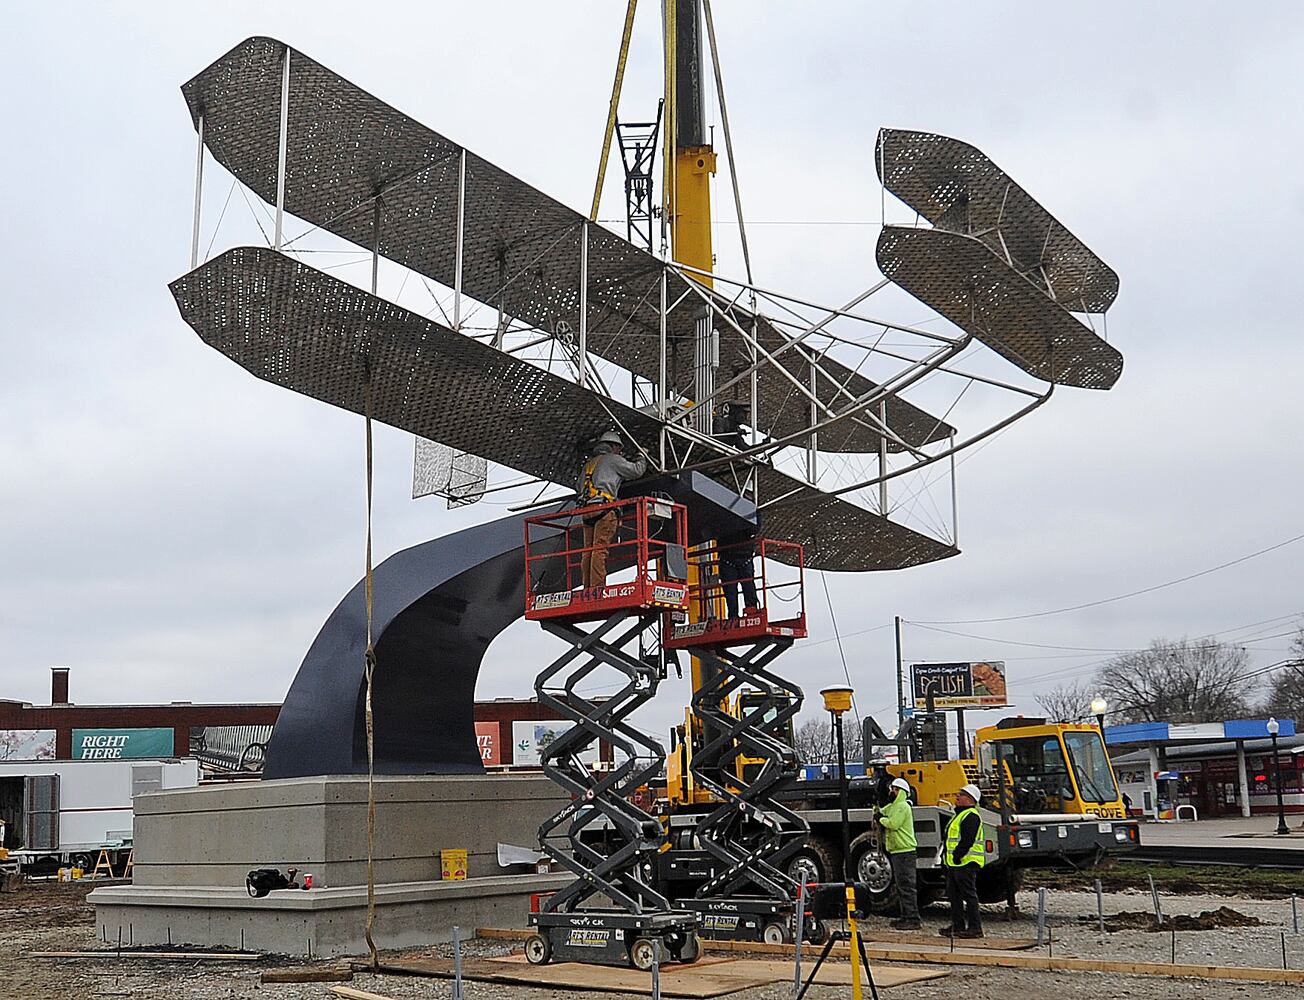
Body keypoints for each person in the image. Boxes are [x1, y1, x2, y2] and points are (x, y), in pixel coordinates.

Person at [576, 429, 647, 589]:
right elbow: (636, 471)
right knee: (599, 548)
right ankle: (597, 588)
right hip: (604, 508)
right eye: (619, 448)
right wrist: (642, 456)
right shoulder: (613, 460)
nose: (620, 451)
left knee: (588, 550)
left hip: (587, 511)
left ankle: (588, 587)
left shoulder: (589, 464)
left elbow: (578, 486)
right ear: (613, 446)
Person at [939, 783, 985, 939]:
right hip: (955, 863)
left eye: (962, 795)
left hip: (966, 862)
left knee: (968, 895)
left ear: (970, 799)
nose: (957, 797)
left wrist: (958, 855)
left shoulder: (971, 816)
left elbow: (968, 839)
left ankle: (975, 927)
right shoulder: (959, 815)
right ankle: (958, 926)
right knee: (954, 895)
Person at [879, 776, 921, 930]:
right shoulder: (895, 806)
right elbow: (884, 810)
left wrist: (881, 819)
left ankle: (912, 918)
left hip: (905, 851)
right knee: (902, 886)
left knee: (907, 886)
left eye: (895, 790)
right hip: (898, 850)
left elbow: (893, 824)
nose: (892, 792)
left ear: (901, 792)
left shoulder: (903, 807)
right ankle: (906, 916)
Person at [716, 522, 759, 618]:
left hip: (736, 557)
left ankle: (749, 611)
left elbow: (755, 528)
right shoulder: (748, 511)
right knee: (734, 590)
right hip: (734, 557)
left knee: (744, 588)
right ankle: (738, 614)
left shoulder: (725, 515)